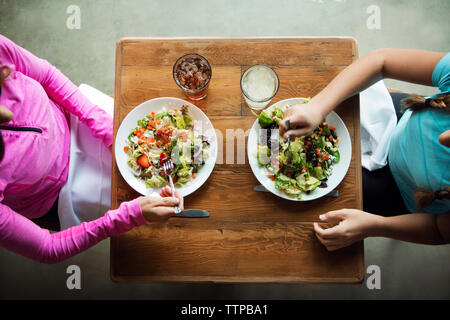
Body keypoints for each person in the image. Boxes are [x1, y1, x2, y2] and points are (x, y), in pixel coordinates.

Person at [0, 34, 183, 263]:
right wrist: (128, 216)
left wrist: (100, 124)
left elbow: (46, 76)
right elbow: (47, 248)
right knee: (155, 212)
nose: (7, 112)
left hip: (76, 119)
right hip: (62, 191)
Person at [280, 49, 450, 251]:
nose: (443, 138)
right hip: (399, 117)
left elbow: (439, 229)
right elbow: (381, 61)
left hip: (399, 194)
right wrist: (317, 107)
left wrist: (375, 226)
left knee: (303, 217)